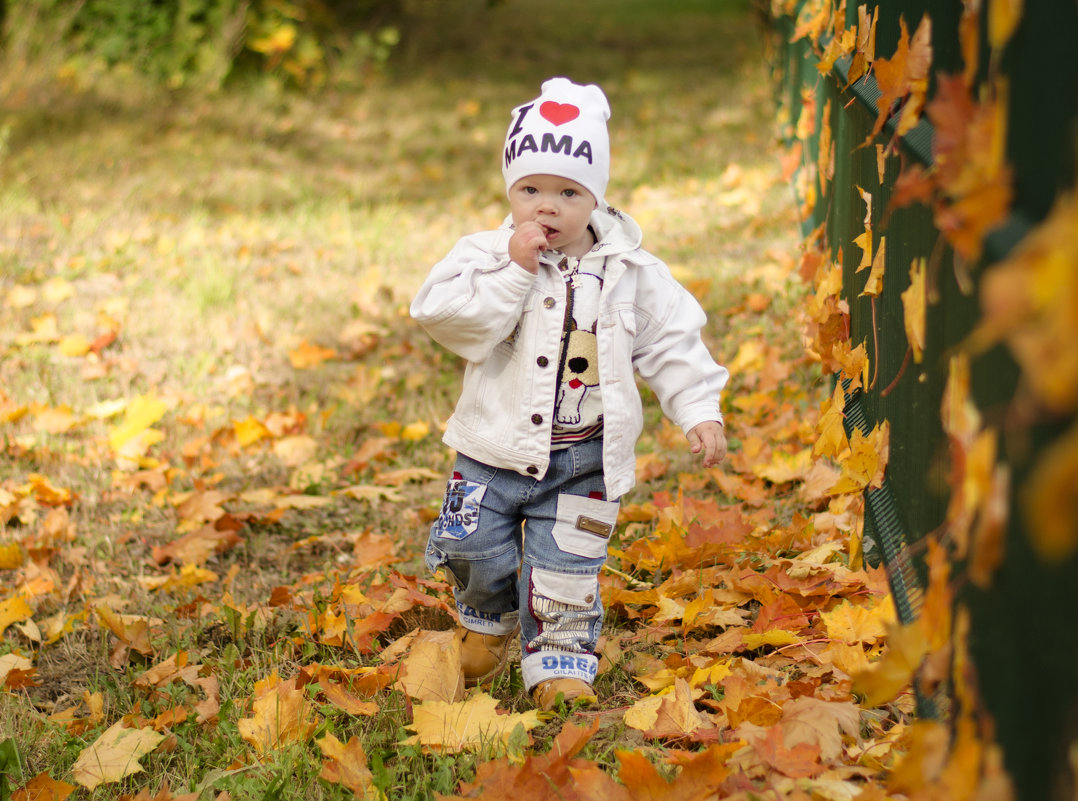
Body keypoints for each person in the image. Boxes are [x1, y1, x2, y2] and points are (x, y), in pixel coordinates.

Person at [410, 77, 729, 711]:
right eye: (529, 190)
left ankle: (559, 661)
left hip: (582, 461)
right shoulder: (482, 257)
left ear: (596, 197)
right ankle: (484, 623)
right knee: (472, 544)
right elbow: (444, 317)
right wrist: (513, 269)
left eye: (567, 193)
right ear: (509, 189)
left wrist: (697, 406)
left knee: (566, 569)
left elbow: (672, 340)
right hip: (489, 452)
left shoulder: (632, 273)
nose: (545, 207)